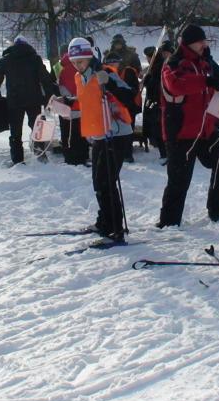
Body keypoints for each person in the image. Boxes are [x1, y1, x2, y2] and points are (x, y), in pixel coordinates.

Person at [157, 25, 219, 227]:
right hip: (182, 132)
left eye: (205, 41)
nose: (205, 44)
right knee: (179, 180)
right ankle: (168, 222)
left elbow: (213, 97)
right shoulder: (173, 63)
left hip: (207, 130)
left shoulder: (206, 64)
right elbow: (176, 85)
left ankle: (218, 209)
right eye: (200, 41)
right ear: (189, 43)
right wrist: (207, 81)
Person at [67, 37, 137, 246]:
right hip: (98, 134)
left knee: (107, 182)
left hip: (115, 134)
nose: (78, 66)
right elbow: (87, 101)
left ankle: (115, 229)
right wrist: (67, 102)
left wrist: (110, 83)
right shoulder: (80, 77)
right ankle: (104, 222)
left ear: (90, 57)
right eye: (74, 62)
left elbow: (129, 95)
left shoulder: (105, 72)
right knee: (99, 182)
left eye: (81, 61)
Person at [0, 35, 56, 165]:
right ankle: (40, 156)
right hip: (34, 100)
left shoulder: (6, 60)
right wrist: (49, 97)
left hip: (14, 102)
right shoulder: (35, 59)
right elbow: (46, 79)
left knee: (15, 131)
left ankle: (18, 161)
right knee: (37, 126)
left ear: (14, 45)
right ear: (27, 45)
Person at [55, 43, 90, 166]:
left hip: (65, 104)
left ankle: (69, 156)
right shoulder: (82, 64)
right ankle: (83, 155)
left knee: (67, 132)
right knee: (82, 131)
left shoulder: (58, 66)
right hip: (81, 103)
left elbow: (55, 84)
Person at [142, 40, 174, 163]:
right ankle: (163, 152)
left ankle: (165, 154)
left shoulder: (161, 66)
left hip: (160, 102)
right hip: (154, 102)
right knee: (157, 129)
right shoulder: (155, 66)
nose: (147, 59)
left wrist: (147, 81)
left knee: (161, 130)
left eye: (149, 57)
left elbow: (157, 84)